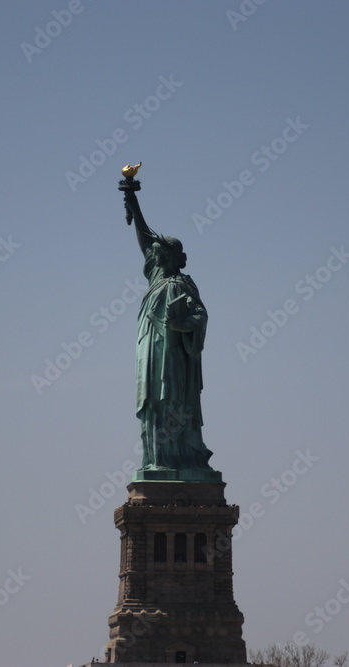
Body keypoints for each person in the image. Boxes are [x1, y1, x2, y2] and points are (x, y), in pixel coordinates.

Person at [122, 185, 214, 473]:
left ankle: (179, 458)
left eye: (160, 251)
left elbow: (201, 316)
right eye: (155, 252)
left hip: (174, 355)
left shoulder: (183, 284)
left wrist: (181, 324)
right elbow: (145, 239)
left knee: (172, 399)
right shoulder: (157, 277)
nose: (154, 253)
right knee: (152, 402)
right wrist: (133, 202)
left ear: (172, 256)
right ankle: (156, 459)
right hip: (150, 351)